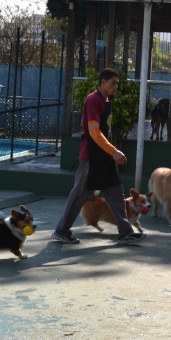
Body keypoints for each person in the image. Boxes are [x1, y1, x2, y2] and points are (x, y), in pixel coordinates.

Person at [52, 68, 146, 245]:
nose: (116, 86)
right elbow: (94, 132)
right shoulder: (93, 100)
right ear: (103, 82)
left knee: (116, 192)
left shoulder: (106, 100)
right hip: (92, 158)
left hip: (105, 158)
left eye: (118, 83)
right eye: (113, 83)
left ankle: (126, 232)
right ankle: (61, 231)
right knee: (79, 194)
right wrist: (114, 151)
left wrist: (110, 153)